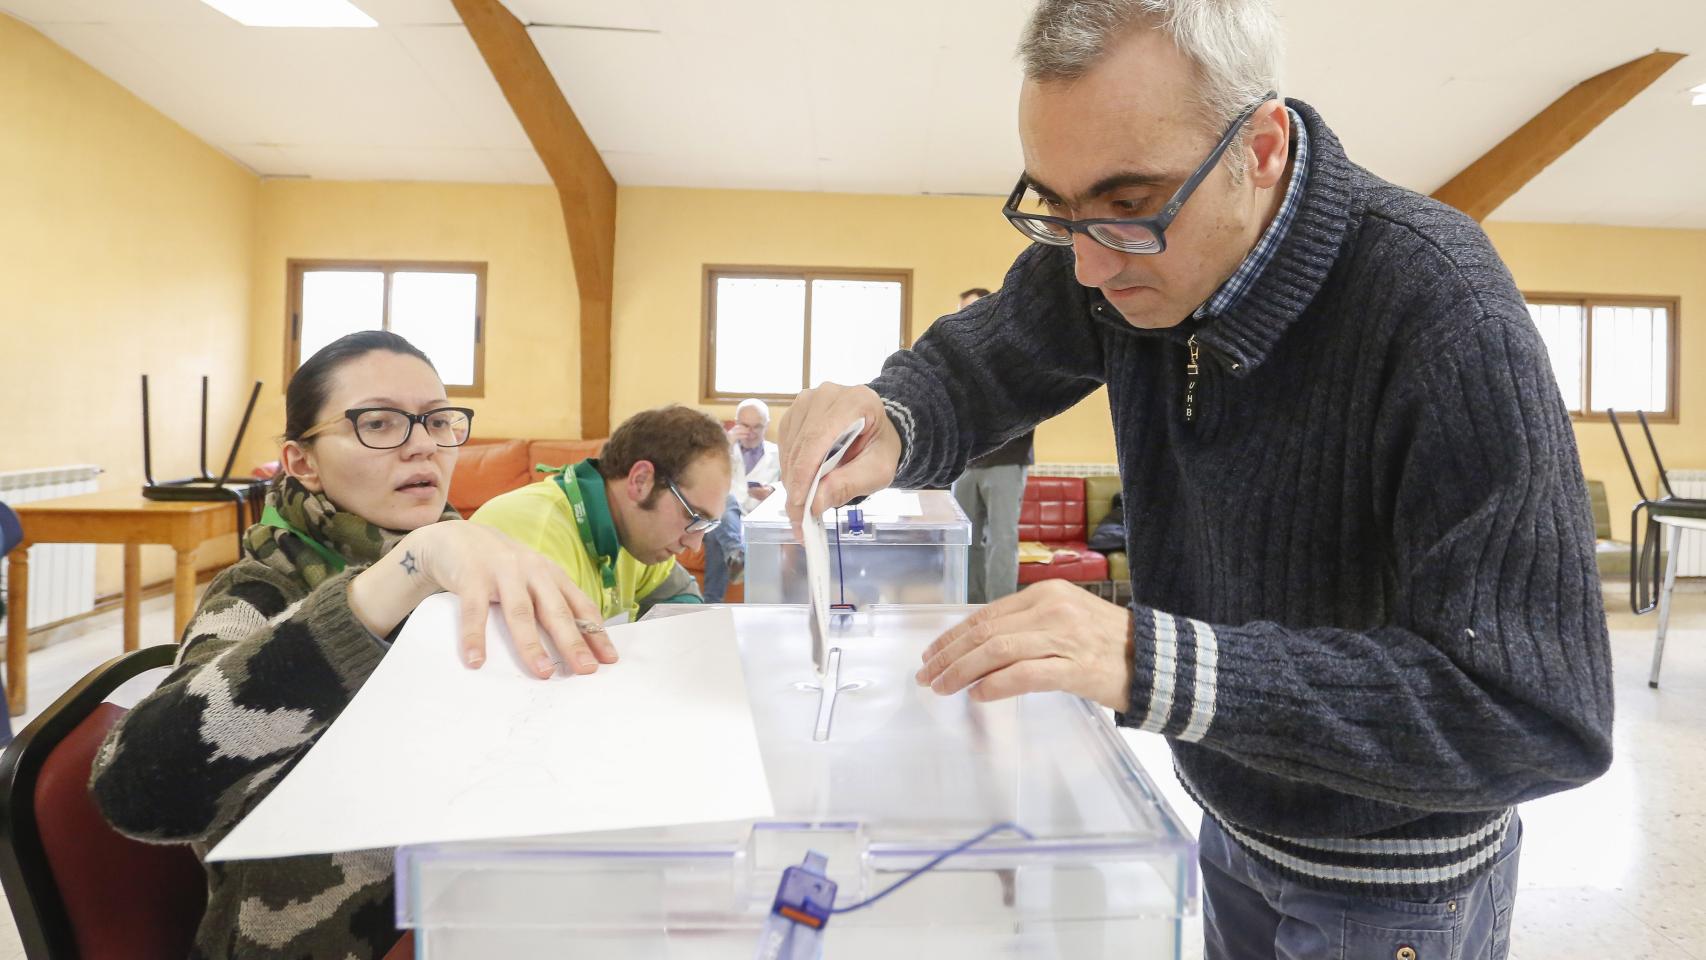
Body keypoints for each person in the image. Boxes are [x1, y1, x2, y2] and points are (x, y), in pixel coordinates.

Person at [778, 1, 1612, 957]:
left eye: (1130, 208)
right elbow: (982, 365)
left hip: (1390, 885)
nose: (1088, 267)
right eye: (1056, 207)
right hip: (1226, 816)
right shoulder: (1109, 248)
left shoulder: (1439, 304)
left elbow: (1532, 714)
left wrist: (1153, 662)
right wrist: (891, 413)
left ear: (1259, 146)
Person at [91, 331, 612, 960]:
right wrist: (403, 574)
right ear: (302, 461)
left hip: (472, 919)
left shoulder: (470, 567)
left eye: (437, 421)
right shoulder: (261, 590)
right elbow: (140, 790)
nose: (422, 443)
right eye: (380, 422)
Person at [472, 405, 728, 621]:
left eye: (706, 525)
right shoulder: (537, 536)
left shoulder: (636, 534)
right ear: (641, 481)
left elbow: (680, 595)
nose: (695, 545)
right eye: (692, 515)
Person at [948, 287, 1035, 603]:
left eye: (970, 310)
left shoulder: (1015, 348)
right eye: (960, 312)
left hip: (1006, 460)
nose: (963, 318)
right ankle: (969, 608)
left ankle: (1001, 611)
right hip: (966, 462)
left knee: (1001, 539)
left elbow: (1031, 402)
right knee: (964, 540)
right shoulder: (956, 359)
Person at [702, 399, 783, 601]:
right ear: (736, 423)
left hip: (756, 518)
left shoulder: (778, 454)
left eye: (758, 426)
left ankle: (715, 597)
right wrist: (726, 443)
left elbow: (791, 486)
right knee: (723, 505)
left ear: (766, 425)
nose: (751, 432)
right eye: (745, 425)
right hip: (724, 516)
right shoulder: (720, 450)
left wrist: (771, 490)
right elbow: (701, 476)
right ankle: (736, 554)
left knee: (714, 534)